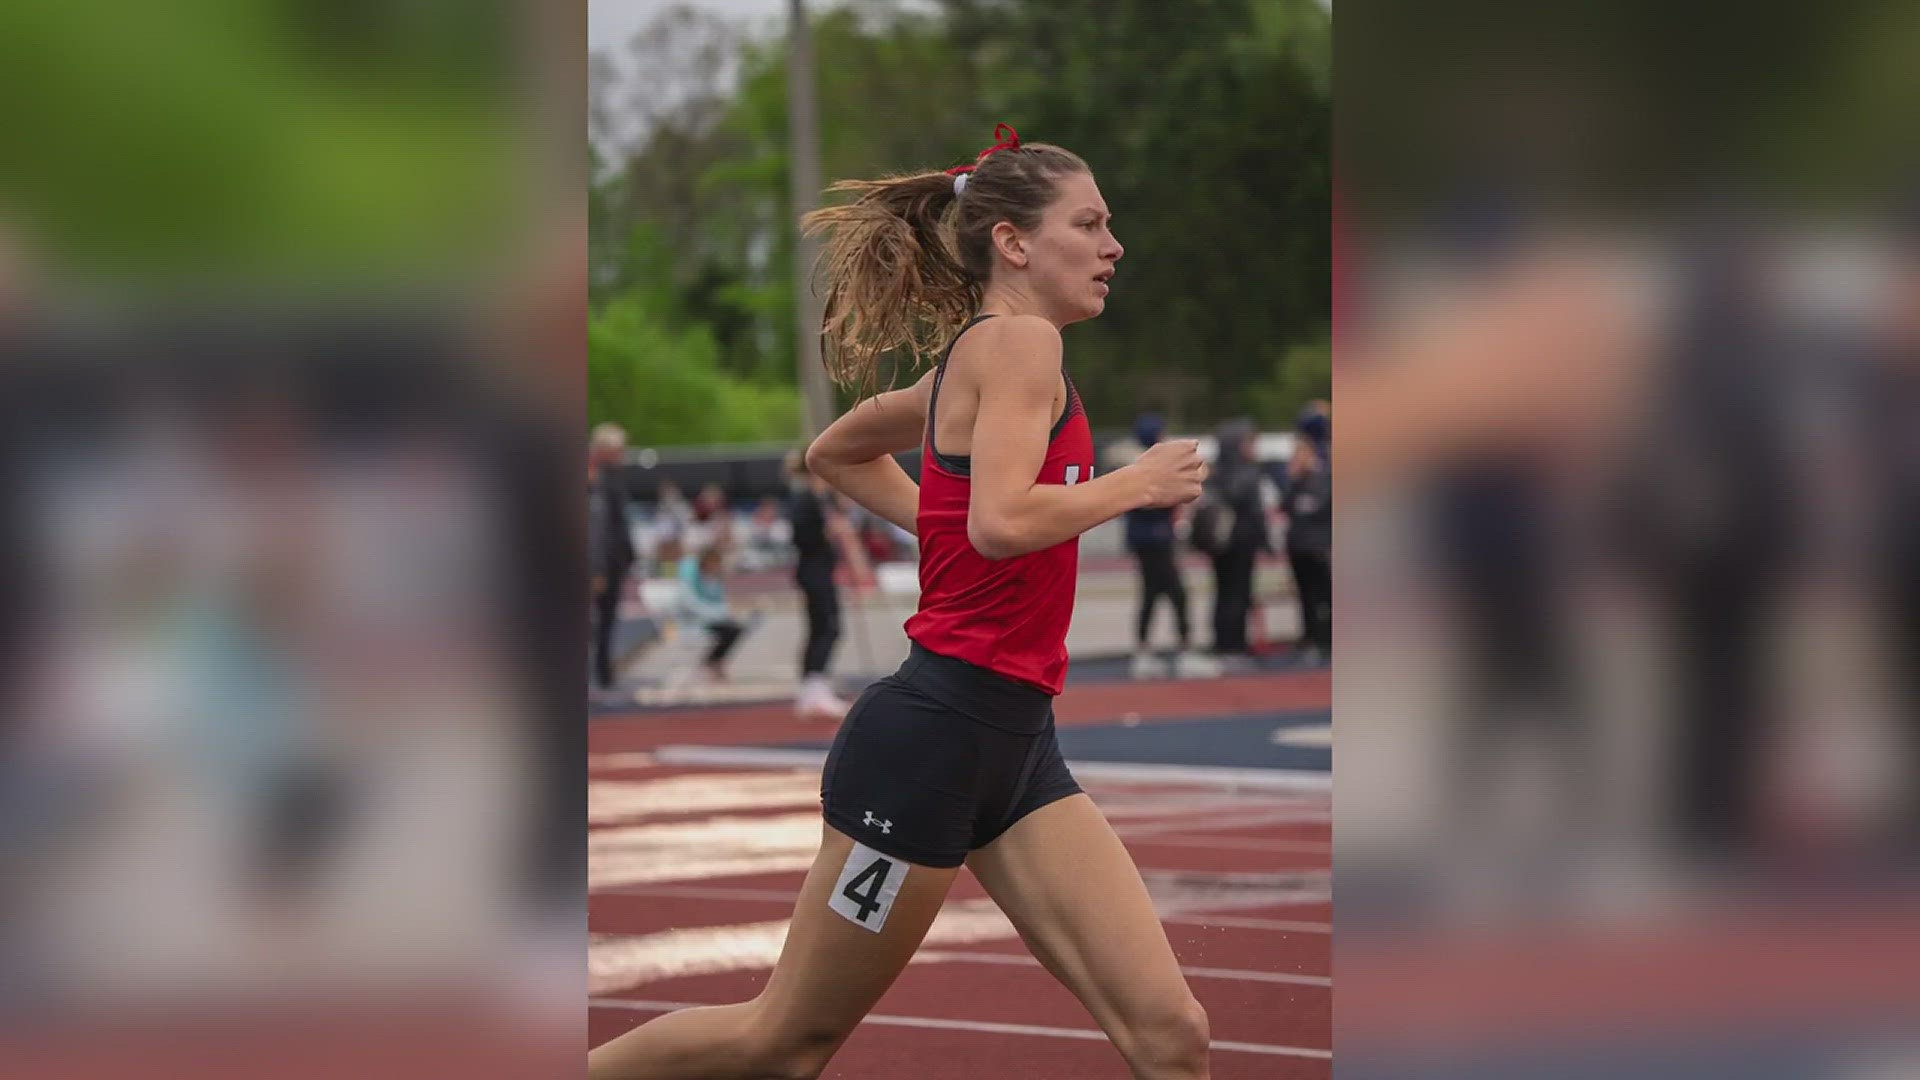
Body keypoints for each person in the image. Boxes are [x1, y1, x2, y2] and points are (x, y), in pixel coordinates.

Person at [588, 124, 1215, 1080]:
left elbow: (839, 454)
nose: (1112, 246)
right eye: (1089, 224)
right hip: (929, 747)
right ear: (1012, 241)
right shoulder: (1020, 345)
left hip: (1016, 748)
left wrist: (945, 522)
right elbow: (1002, 521)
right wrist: (1135, 484)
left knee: (1172, 1037)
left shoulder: (974, 361)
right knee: (781, 1044)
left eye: (1109, 226)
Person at [1124, 412, 1219, 679]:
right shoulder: (1149, 470)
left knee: (1153, 594)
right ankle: (1182, 651)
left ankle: (1146, 651)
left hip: (1148, 539)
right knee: (1175, 594)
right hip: (1155, 540)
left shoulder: (1136, 466)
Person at [785, 449, 853, 721]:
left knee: (823, 626)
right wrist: (826, 532)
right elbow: (802, 535)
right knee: (828, 625)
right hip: (814, 571)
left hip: (819, 569)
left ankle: (814, 683)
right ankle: (814, 684)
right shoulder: (805, 498)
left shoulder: (819, 497)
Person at [1203, 418, 1271, 656]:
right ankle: (1235, 644)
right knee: (1239, 592)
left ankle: (1222, 640)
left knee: (1223, 591)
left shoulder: (1215, 471)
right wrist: (1267, 541)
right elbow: (1255, 511)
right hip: (1242, 540)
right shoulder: (1247, 472)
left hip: (1219, 541)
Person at [587, 422, 636, 696]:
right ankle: (599, 677)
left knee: (607, 621)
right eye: (618, 449)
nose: (623, 454)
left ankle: (605, 675)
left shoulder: (614, 478)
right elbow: (598, 528)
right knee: (595, 623)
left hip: (613, 561)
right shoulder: (596, 480)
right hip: (600, 562)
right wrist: (597, 568)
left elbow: (619, 524)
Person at [1281, 417, 1332, 660]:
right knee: (1305, 595)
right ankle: (1310, 636)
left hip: (1318, 544)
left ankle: (1325, 639)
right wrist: (1293, 480)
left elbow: (1318, 506)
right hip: (1298, 544)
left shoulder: (1323, 477)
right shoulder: (1295, 481)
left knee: (1323, 595)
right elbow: (1288, 506)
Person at [676, 545, 746, 684]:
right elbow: (690, 602)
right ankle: (710, 663)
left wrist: (723, 613)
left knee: (735, 629)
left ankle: (713, 662)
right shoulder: (691, 576)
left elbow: (721, 601)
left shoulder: (713, 578)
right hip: (694, 619)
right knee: (729, 631)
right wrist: (715, 614)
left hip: (712, 618)